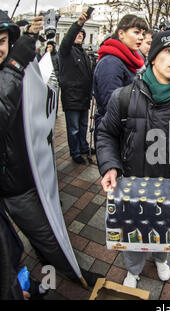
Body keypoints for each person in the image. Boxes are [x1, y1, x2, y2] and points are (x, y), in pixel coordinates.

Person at [96, 30, 170, 288]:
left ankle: (160, 259)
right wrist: (110, 166)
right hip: (132, 187)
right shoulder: (123, 97)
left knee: (165, 229)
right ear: (153, 57)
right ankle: (133, 271)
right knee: (133, 234)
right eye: (169, 52)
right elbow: (106, 134)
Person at [0, 10, 101, 288]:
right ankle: (67, 272)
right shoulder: (10, 72)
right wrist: (14, 67)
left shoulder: (11, 70)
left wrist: (30, 39)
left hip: (22, 173)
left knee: (38, 233)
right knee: (38, 235)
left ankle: (53, 270)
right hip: (12, 185)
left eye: (2, 40)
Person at [93, 14, 148, 134]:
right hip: (113, 131)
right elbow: (111, 105)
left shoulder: (129, 60)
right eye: (136, 32)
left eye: (143, 34)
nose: (141, 37)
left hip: (128, 127)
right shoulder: (110, 63)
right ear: (121, 33)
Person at [59, 11, 94, 164]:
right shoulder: (66, 51)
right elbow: (67, 40)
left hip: (84, 97)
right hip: (72, 97)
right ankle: (75, 152)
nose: (80, 35)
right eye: (77, 33)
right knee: (73, 128)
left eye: (82, 34)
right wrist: (79, 23)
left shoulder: (84, 53)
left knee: (83, 126)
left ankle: (84, 147)